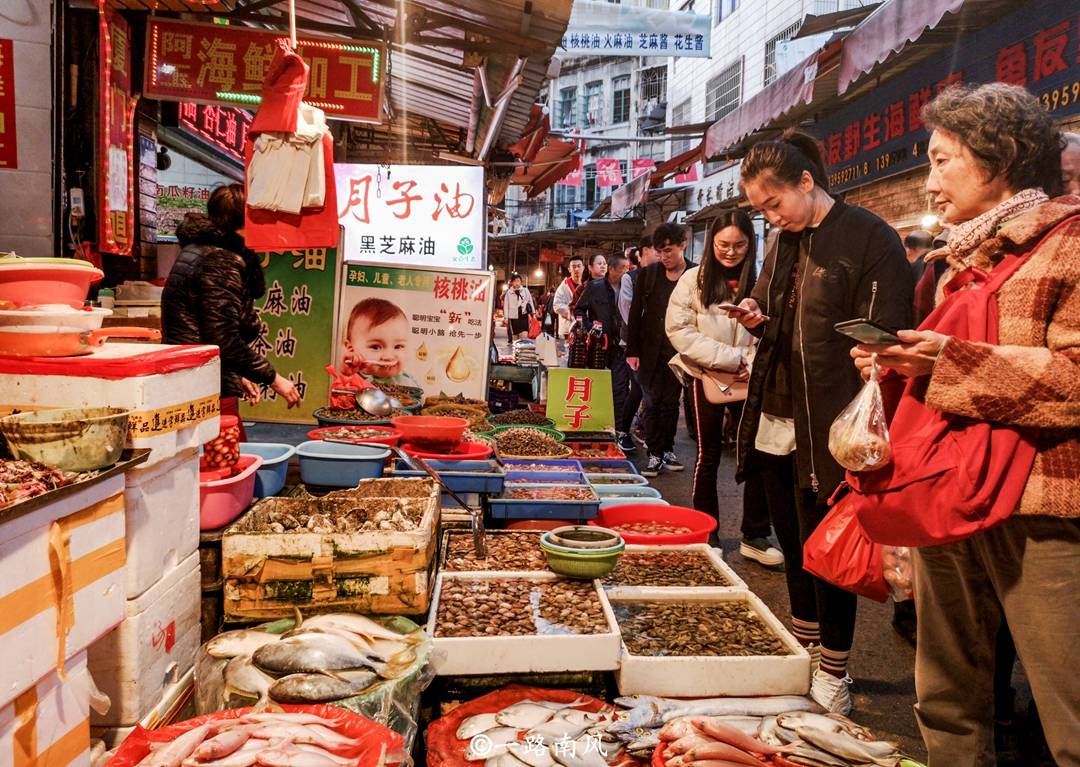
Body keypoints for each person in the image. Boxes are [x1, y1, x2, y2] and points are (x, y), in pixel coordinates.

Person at [850, 83, 1079, 765]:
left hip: (1041, 507)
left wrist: (947, 360)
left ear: (1000, 157)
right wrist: (901, 363)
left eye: (943, 160)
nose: (930, 180)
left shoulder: (1069, 244)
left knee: (1067, 706)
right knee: (947, 696)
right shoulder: (955, 263)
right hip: (949, 491)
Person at [730, 129, 913, 714]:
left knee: (831, 551)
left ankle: (835, 669)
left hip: (833, 424)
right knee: (794, 544)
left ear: (806, 182)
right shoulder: (783, 241)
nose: (770, 218)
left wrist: (876, 354)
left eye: (773, 204)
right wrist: (755, 314)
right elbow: (768, 303)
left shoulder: (868, 237)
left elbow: (890, 331)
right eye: (760, 210)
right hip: (777, 415)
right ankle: (804, 649)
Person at [665, 211, 784, 568]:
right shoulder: (693, 280)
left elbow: (775, 328)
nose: (730, 252)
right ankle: (708, 530)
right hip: (708, 378)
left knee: (759, 454)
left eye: (739, 245)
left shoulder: (764, 280)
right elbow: (680, 331)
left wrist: (752, 360)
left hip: (751, 380)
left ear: (751, 244)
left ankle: (755, 535)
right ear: (710, 244)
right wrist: (736, 358)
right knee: (708, 455)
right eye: (723, 245)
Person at [163, 184, 300, 424]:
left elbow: (206, 328)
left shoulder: (198, 249)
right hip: (201, 383)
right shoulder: (220, 261)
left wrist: (234, 375)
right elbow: (222, 337)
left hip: (192, 374)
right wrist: (274, 379)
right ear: (249, 219)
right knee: (221, 454)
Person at [627, 223, 695, 477]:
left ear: (683, 245)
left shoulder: (695, 273)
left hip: (681, 350)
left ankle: (667, 449)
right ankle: (654, 454)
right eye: (660, 251)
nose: (665, 256)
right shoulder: (649, 274)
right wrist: (631, 350)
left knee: (670, 403)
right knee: (652, 402)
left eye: (669, 250)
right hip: (649, 349)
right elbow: (636, 313)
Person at [574, 254, 632, 436]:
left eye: (628, 269)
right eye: (623, 268)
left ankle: (618, 429)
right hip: (598, 345)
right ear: (613, 269)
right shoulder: (595, 287)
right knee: (598, 384)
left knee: (620, 387)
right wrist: (590, 326)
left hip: (621, 345)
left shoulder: (629, 287)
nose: (627, 272)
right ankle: (594, 424)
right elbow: (578, 309)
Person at [341, 297, 421, 388]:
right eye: (375, 347)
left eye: (398, 346)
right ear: (351, 349)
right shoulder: (351, 378)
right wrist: (346, 375)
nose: (388, 357)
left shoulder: (408, 382)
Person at [552, 256, 585, 337]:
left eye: (579, 266)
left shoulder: (587, 285)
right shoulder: (563, 286)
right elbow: (557, 305)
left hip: (585, 327)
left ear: (583, 268)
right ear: (569, 269)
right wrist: (571, 313)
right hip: (567, 329)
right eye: (573, 267)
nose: (576, 269)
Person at [503, 273, 535, 341]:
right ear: (512, 282)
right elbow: (506, 305)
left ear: (520, 282)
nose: (516, 283)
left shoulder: (525, 290)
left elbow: (530, 301)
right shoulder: (509, 293)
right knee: (515, 336)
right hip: (513, 316)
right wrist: (506, 317)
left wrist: (533, 314)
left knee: (524, 335)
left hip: (523, 315)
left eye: (518, 281)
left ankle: (523, 349)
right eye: (515, 281)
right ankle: (516, 349)